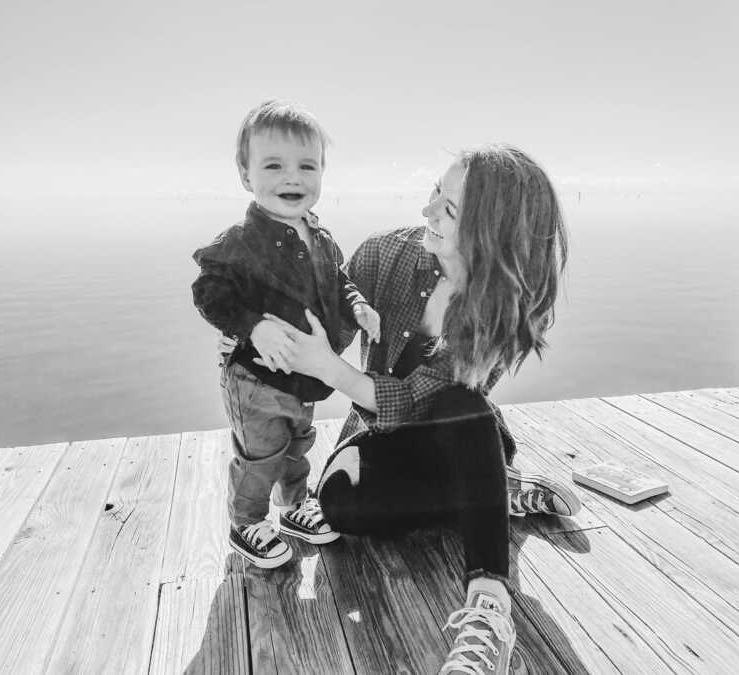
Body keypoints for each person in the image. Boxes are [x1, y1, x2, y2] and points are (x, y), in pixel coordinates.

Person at [227, 144, 579, 674]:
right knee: (340, 506)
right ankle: (493, 491)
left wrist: (331, 369)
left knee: (461, 402)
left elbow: (421, 398)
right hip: (382, 439)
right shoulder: (384, 254)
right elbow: (319, 323)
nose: (427, 211)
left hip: (460, 438)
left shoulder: (500, 303)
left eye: (450, 209)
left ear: (492, 231)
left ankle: (489, 604)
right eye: (436, 191)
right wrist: (254, 330)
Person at [191, 99, 381, 569]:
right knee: (260, 454)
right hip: (254, 380)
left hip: (303, 378)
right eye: (273, 165)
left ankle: (294, 505)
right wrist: (252, 327)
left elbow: (340, 282)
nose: (292, 178)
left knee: (298, 443)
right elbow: (209, 294)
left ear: (321, 174)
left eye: (306, 166)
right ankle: (246, 521)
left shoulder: (323, 238)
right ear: (245, 175)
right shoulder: (238, 243)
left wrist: (357, 306)